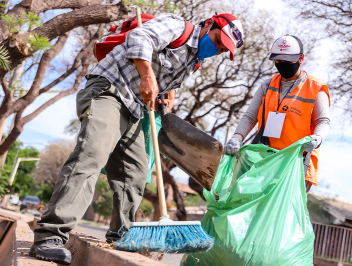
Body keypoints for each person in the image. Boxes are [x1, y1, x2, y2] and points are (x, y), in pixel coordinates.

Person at [30, 13, 244, 265]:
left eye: (221, 50)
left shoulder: (193, 60)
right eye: (218, 41)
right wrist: (146, 76)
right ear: (209, 24)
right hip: (109, 89)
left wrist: (167, 92)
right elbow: (140, 36)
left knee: (135, 173)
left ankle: (120, 234)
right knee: (93, 153)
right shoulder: (178, 26)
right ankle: (50, 235)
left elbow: (162, 75)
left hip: (134, 107)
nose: (216, 50)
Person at [224, 35, 330, 192]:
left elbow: (323, 121)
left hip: (296, 163)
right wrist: (237, 137)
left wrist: (317, 138)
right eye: (278, 62)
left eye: (287, 62)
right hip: (264, 159)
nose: (282, 65)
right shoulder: (267, 85)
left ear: (301, 58)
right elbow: (250, 117)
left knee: (280, 213)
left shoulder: (315, 88)